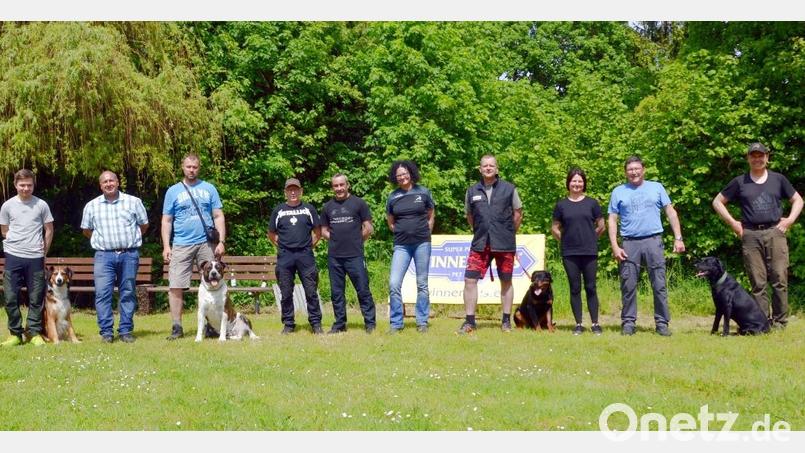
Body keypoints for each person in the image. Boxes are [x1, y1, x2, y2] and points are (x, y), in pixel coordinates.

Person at [712, 142, 803, 330]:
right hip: (750, 234)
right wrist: (734, 223)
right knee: (757, 281)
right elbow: (718, 202)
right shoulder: (740, 181)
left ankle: (780, 322)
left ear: (767, 158)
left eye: (761, 155)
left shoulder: (778, 179)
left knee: (779, 278)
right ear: (748, 158)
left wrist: (790, 220)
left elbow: (798, 200)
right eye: (753, 156)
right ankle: (762, 322)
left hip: (775, 232)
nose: (757, 159)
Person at [608, 156, 684, 336]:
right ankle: (628, 323)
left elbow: (670, 212)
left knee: (659, 284)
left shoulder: (656, 188)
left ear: (643, 169)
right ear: (626, 172)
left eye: (637, 168)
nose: (634, 172)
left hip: (653, 241)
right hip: (629, 243)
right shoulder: (618, 191)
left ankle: (662, 323)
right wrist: (615, 246)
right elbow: (612, 219)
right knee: (628, 284)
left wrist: (678, 238)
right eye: (630, 169)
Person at [161, 154, 226, 340]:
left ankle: (212, 327)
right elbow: (167, 220)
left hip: (206, 243)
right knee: (175, 285)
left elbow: (218, 216)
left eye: (195, 167)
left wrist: (221, 241)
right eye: (188, 167)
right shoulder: (173, 191)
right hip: (181, 243)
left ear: (199, 168)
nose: (192, 170)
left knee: (211, 284)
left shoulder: (209, 189)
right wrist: (166, 245)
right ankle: (176, 326)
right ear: (183, 167)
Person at [81, 171, 149, 343]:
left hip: (129, 254)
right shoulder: (92, 205)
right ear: (100, 185)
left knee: (127, 292)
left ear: (118, 182)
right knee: (103, 294)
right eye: (105, 182)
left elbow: (144, 225)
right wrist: (103, 242)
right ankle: (106, 332)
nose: (109, 184)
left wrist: (128, 241)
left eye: (112, 180)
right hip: (104, 256)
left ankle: (126, 330)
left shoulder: (133, 202)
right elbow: (86, 230)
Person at [457, 155, 523, 334]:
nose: (488, 168)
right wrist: (481, 229)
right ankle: (470, 321)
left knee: (506, 281)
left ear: (497, 169)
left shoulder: (509, 189)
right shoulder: (471, 191)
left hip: (504, 243)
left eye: (491, 166)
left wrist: (508, 232)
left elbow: (518, 213)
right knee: (469, 280)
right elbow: (470, 216)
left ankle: (506, 321)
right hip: (480, 243)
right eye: (484, 166)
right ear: (480, 169)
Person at [0, 169, 53, 347]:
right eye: (22, 185)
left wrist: (43, 253)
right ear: (15, 185)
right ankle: (15, 334)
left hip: (35, 258)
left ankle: (34, 332)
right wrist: (15, 244)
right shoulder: (7, 206)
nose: (25, 188)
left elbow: (49, 230)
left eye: (29, 185)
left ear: (33, 185)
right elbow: (4, 231)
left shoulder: (41, 205)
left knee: (36, 297)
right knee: (10, 297)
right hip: (13, 256)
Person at [320, 173, 377, 334]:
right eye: (335, 186)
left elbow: (368, 228)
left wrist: (357, 240)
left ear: (347, 185)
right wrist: (336, 238)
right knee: (337, 293)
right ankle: (340, 324)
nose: (339, 188)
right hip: (335, 257)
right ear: (333, 188)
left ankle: (370, 324)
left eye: (341, 185)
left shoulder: (359, 203)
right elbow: (323, 231)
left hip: (355, 255)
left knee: (363, 290)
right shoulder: (327, 207)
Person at [552, 167, 605, 335]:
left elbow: (601, 225)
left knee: (591, 287)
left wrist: (591, 237)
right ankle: (578, 324)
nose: (577, 184)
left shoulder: (592, 203)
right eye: (574, 181)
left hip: (589, 251)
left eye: (580, 181)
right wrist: (566, 240)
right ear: (568, 183)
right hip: (570, 253)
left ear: (584, 184)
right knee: (574, 287)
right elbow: (554, 228)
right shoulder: (561, 205)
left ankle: (595, 323)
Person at [268, 178, 324, 335]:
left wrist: (307, 246)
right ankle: (288, 324)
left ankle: (315, 323)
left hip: (305, 255)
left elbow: (318, 232)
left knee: (311, 290)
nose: (293, 192)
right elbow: (271, 234)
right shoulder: (278, 210)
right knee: (286, 292)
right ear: (285, 192)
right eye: (289, 190)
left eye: (296, 189)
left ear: (301, 191)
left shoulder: (308, 209)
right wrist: (284, 247)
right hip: (285, 256)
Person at [386, 160, 435, 334]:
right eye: (398, 175)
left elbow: (431, 215)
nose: (402, 177)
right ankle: (396, 323)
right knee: (394, 283)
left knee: (422, 283)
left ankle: (422, 321)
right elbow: (390, 221)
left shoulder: (423, 192)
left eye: (405, 173)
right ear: (395, 177)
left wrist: (426, 231)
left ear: (411, 173)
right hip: (401, 245)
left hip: (422, 243)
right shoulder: (393, 196)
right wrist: (400, 232)